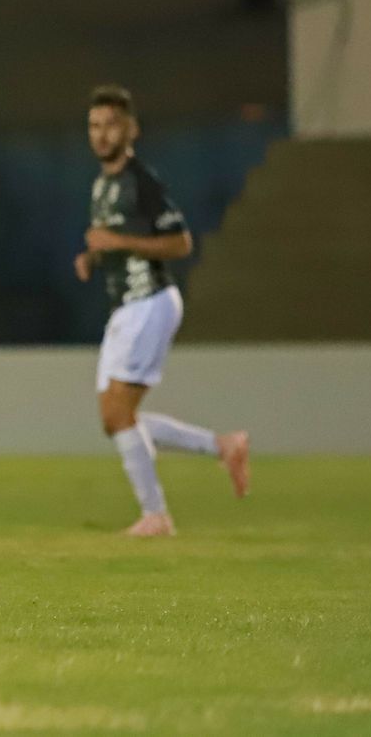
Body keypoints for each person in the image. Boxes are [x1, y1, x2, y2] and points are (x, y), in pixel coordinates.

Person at [76, 84, 250, 537]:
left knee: (117, 415)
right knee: (115, 418)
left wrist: (116, 243)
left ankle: (156, 516)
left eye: (111, 125)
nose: (101, 134)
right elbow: (109, 238)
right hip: (125, 307)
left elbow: (180, 242)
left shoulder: (142, 182)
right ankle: (223, 446)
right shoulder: (103, 185)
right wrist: (93, 257)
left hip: (149, 301)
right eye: (95, 126)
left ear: (130, 129)